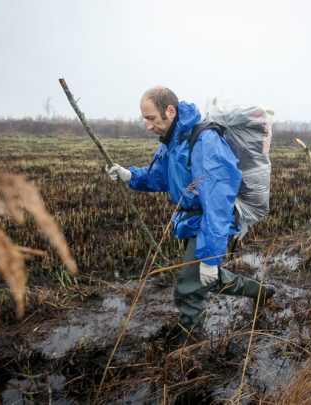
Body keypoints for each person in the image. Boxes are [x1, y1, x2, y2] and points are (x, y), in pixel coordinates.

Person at [106, 86, 276, 346]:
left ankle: (190, 350)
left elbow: (217, 205)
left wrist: (210, 257)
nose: (148, 126)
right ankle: (261, 292)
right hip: (193, 222)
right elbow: (161, 177)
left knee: (188, 289)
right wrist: (130, 175)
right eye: (145, 119)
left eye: (151, 118)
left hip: (207, 223)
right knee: (207, 278)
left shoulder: (204, 141)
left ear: (170, 111)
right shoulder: (173, 140)